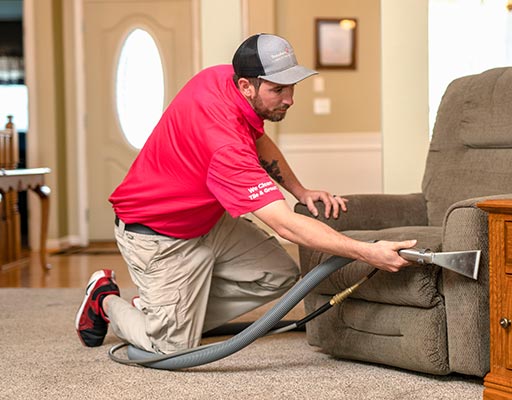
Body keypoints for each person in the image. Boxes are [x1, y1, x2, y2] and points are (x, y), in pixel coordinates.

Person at [75, 33, 417, 353]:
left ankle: (165, 310)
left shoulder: (223, 78)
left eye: (292, 86)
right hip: (157, 235)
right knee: (170, 347)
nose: (290, 99)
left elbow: (257, 137)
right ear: (246, 86)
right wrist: (366, 252)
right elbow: (285, 226)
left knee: (278, 275)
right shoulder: (225, 147)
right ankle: (106, 299)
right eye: (279, 89)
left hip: (205, 222)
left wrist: (300, 190)